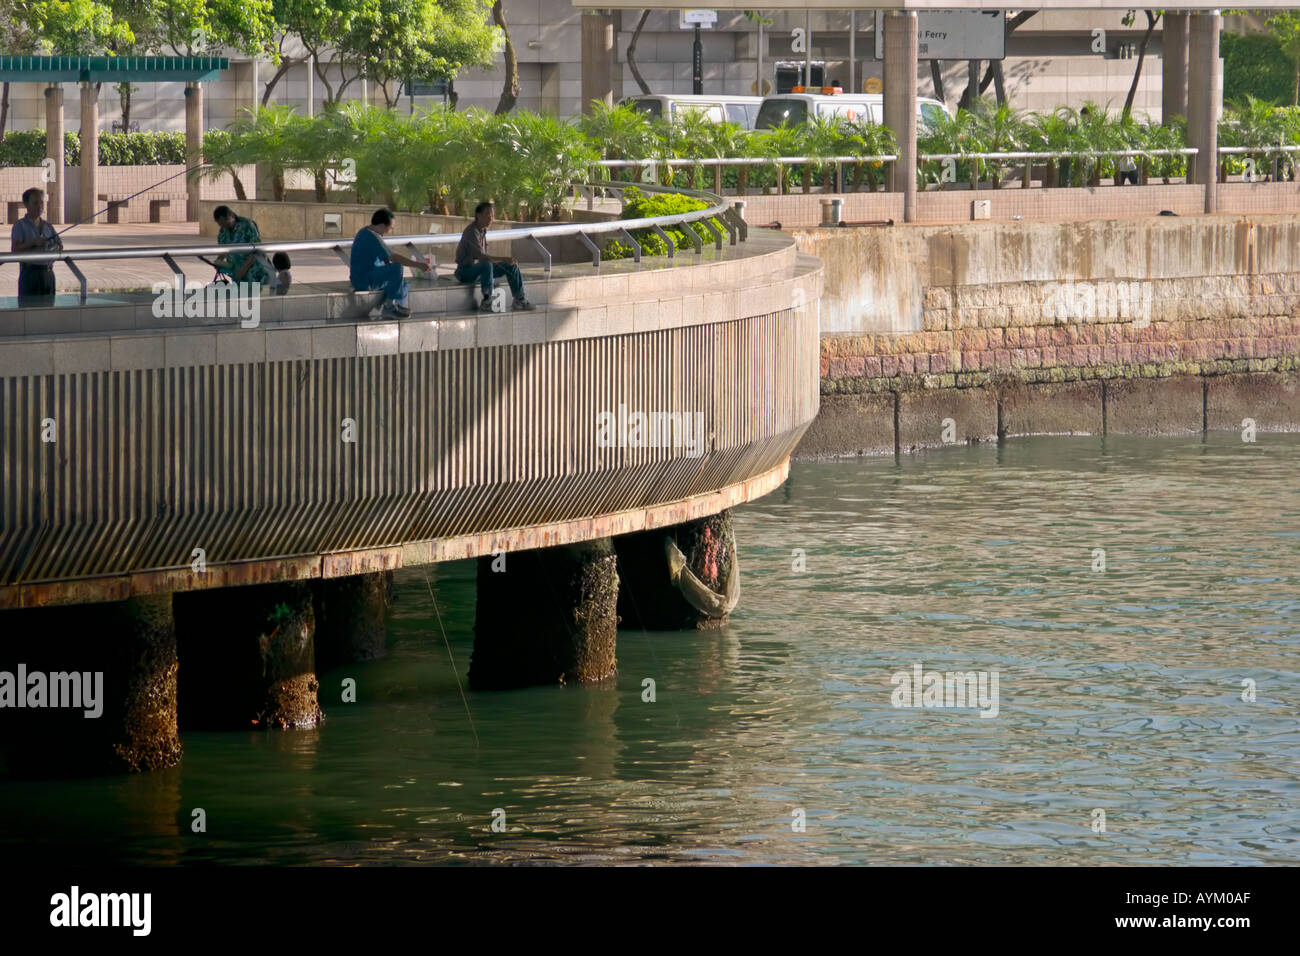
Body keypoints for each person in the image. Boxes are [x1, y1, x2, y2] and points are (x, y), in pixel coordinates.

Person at [454, 201, 534, 312]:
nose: (491, 218)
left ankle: (519, 299)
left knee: (511, 266)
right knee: (487, 264)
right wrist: (503, 258)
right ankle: (487, 300)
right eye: (488, 214)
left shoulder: (482, 231)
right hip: (465, 272)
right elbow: (482, 257)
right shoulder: (471, 232)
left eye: (492, 215)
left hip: (480, 271)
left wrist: (506, 261)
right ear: (478, 215)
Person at [350, 208, 430, 319]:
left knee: (403, 284)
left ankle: (395, 306)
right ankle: (389, 307)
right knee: (397, 268)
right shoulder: (371, 237)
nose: (389, 231)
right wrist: (419, 265)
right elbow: (394, 258)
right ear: (382, 225)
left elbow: (380, 259)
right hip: (364, 280)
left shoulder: (365, 232)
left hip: (366, 274)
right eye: (390, 228)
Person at [10, 187, 61, 305]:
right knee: (29, 310)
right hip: (30, 273)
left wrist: (52, 247)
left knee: (48, 309)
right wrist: (33, 243)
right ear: (26, 204)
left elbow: (59, 245)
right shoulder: (20, 226)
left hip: (48, 273)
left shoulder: (48, 226)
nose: (40, 206)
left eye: (41, 202)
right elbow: (15, 249)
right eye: (35, 203)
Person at [213, 205, 269, 285]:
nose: (224, 227)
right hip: (238, 276)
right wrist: (219, 261)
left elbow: (257, 250)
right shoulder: (223, 231)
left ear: (231, 215)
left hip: (256, 274)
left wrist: (243, 269)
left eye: (226, 223)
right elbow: (224, 250)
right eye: (221, 225)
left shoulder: (247, 225)